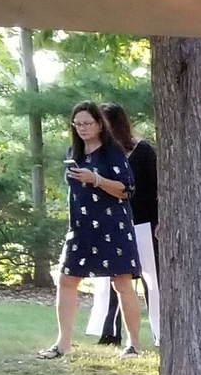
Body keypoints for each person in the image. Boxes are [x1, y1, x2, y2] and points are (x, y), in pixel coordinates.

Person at [38, 102, 145, 359]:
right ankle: (63, 342)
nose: (83, 128)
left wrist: (95, 179)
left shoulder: (112, 152)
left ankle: (134, 344)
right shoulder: (73, 152)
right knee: (66, 279)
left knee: (121, 283)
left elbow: (127, 189)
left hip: (113, 225)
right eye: (78, 124)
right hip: (81, 228)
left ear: (99, 124)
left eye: (88, 123)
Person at [102, 103, 160, 346]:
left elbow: (158, 187)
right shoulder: (101, 155)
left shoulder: (143, 151)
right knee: (115, 280)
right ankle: (109, 332)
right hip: (112, 224)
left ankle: (160, 332)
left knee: (152, 281)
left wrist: (160, 220)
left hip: (144, 222)